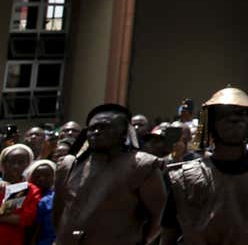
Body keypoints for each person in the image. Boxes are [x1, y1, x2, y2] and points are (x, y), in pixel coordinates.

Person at [159, 86, 248, 245]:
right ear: (211, 122)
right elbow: (167, 238)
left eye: (241, 114)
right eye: (225, 115)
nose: (234, 120)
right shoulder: (183, 177)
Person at [54, 104, 165, 244]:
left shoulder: (142, 165)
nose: (96, 132)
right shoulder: (68, 165)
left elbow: (158, 218)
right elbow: (59, 213)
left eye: (103, 127)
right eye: (92, 128)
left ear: (123, 133)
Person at [0, 144, 38, 245]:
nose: (16, 166)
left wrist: (16, 189)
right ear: (3, 163)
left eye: (21, 162)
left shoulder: (31, 190)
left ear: (28, 165)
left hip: (12, 240)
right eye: (12, 162)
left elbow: (25, 219)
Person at [26, 160, 54, 245]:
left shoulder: (52, 199)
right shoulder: (21, 195)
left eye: (47, 175)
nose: (42, 179)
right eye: (37, 175)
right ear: (30, 177)